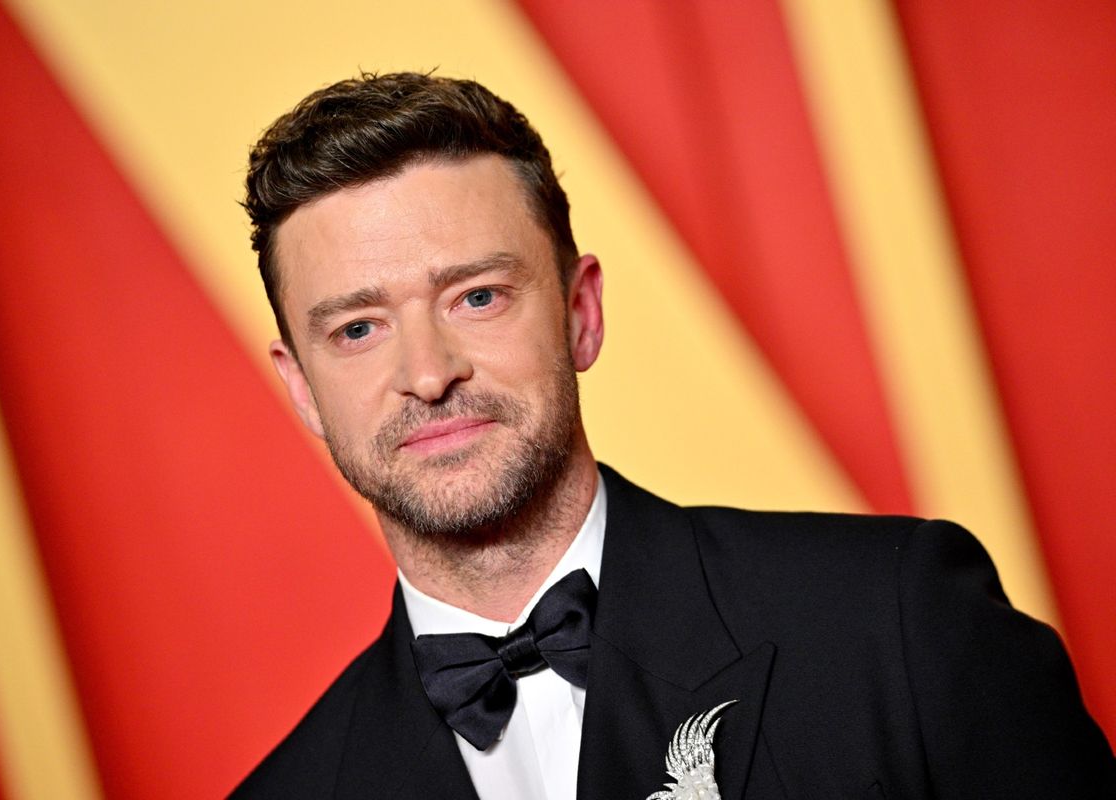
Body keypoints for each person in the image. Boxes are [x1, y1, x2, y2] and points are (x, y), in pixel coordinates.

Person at [231, 72, 1114, 799]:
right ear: (303, 388)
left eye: (477, 297)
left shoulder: (898, 625)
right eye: (357, 330)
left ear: (581, 314)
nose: (428, 374)